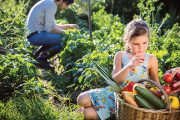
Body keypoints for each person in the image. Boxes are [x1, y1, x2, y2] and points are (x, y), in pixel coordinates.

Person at [77, 19, 160, 120]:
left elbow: (157, 84)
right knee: (81, 99)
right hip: (113, 95)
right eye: (136, 44)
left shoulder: (151, 59)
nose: (141, 48)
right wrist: (129, 66)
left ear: (148, 40)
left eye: (144, 43)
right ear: (128, 41)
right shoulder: (120, 55)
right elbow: (114, 81)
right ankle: (90, 108)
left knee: (87, 114)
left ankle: (88, 111)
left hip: (132, 101)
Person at [26, 0, 78, 68]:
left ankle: (37, 55)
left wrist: (68, 26)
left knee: (60, 37)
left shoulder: (49, 2)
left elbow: (52, 26)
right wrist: (68, 34)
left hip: (34, 34)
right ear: (63, 1)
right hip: (35, 36)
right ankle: (41, 59)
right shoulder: (52, 5)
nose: (66, 7)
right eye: (67, 4)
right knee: (64, 39)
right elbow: (50, 29)